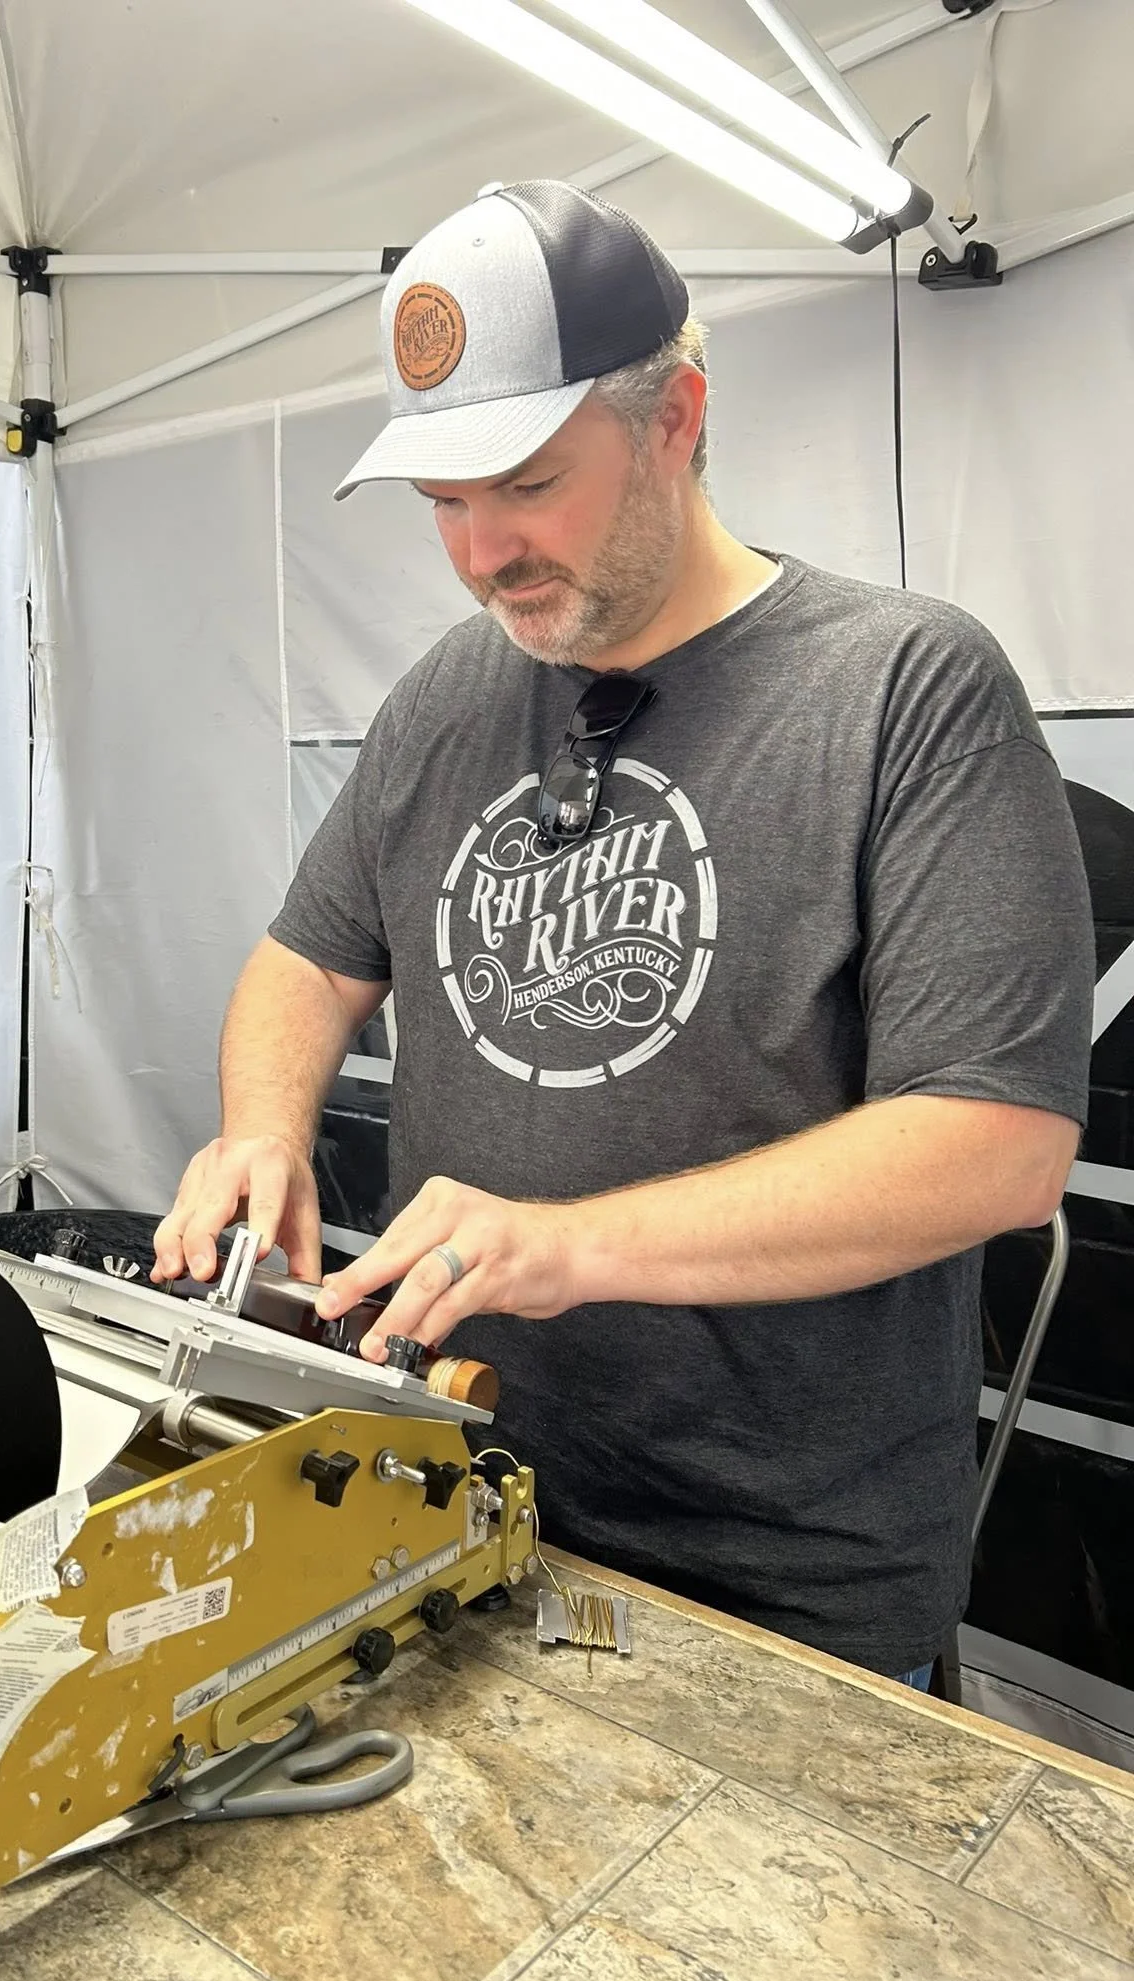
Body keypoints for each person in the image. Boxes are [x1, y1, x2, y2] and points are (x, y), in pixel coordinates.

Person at [151, 181, 1093, 1685]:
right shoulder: (450, 694)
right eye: (442, 504)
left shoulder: (907, 689)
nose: (482, 553)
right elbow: (310, 959)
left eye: (527, 483)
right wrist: (262, 1129)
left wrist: (573, 1243)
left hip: (776, 1576)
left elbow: (996, 1147)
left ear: (675, 420)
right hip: (449, 1491)